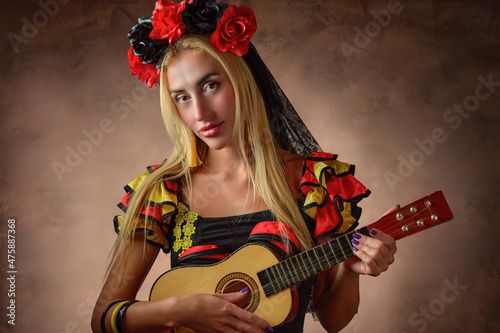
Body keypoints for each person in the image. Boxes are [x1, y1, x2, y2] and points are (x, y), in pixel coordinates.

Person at [91, 1, 397, 332]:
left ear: (242, 79)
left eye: (211, 86)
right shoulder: (164, 190)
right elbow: (103, 318)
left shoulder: (312, 182)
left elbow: (333, 321)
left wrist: (351, 272)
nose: (200, 114)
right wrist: (179, 311)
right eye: (182, 97)